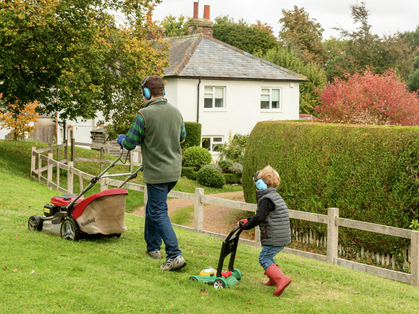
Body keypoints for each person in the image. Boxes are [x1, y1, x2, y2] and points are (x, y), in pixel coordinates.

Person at [117, 75, 187, 271]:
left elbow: (130, 143)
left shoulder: (143, 115)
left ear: (146, 93)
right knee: (153, 208)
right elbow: (182, 137)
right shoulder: (176, 113)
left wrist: (122, 139)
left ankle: (174, 254)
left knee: (158, 211)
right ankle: (153, 247)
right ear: (163, 92)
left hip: (157, 173)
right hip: (174, 172)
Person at [238, 165, 292, 296]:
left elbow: (260, 217)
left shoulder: (266, 199)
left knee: (264, 258)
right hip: (280, 236)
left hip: (274, 236)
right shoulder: (273, 196)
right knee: (268, 257)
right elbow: (262, 215)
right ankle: (273, 280)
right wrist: (248, 219)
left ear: (262, 184)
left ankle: (281, 279)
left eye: (257, 182)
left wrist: (247, 226)